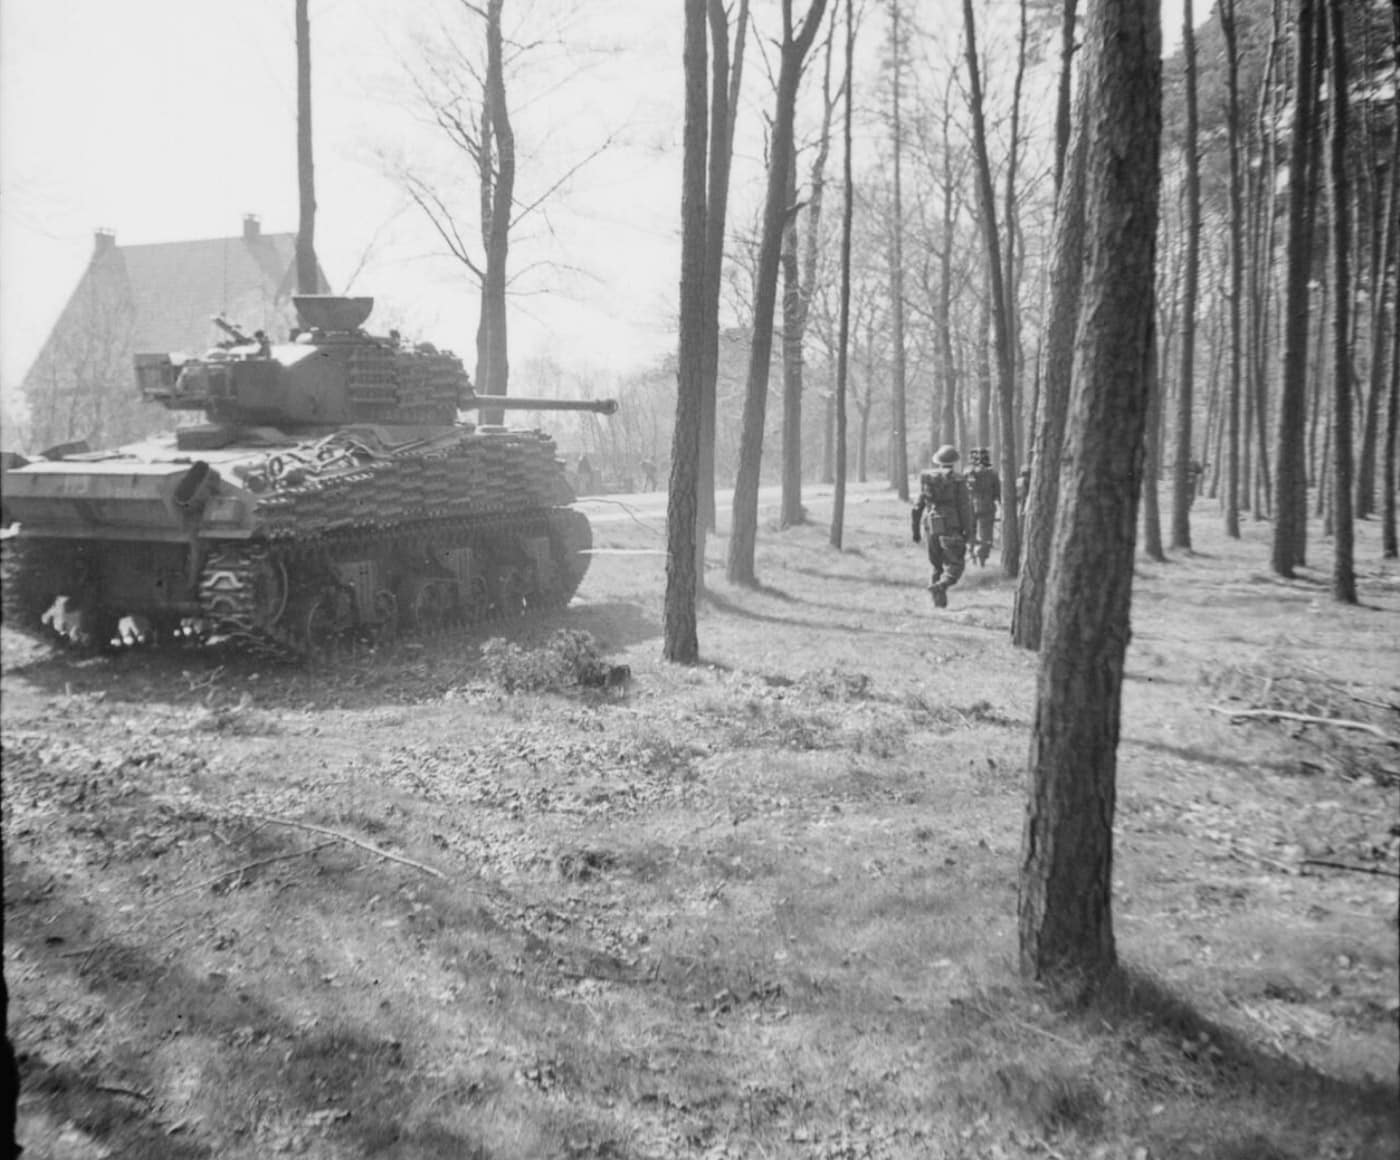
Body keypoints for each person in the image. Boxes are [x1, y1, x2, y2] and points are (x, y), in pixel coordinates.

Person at [911, 445, 974, 609]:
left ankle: (938, 604)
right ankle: (942, 586)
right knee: (956, 563)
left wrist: (915, 532)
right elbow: (964, 508)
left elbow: (916, 508)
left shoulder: (928, 479)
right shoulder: (958, 480)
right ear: (954, 462)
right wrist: (969, 531)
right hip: (951, 526)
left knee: (936, 565)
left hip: (930, 525)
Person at [966, 447, 1002, 567]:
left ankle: (972, 553)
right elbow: (997, 493)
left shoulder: (967, 473)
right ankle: (981, 556)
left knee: (971, 532)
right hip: (987, 507)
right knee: (986, 535)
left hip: (970, 506)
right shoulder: (992, 473)